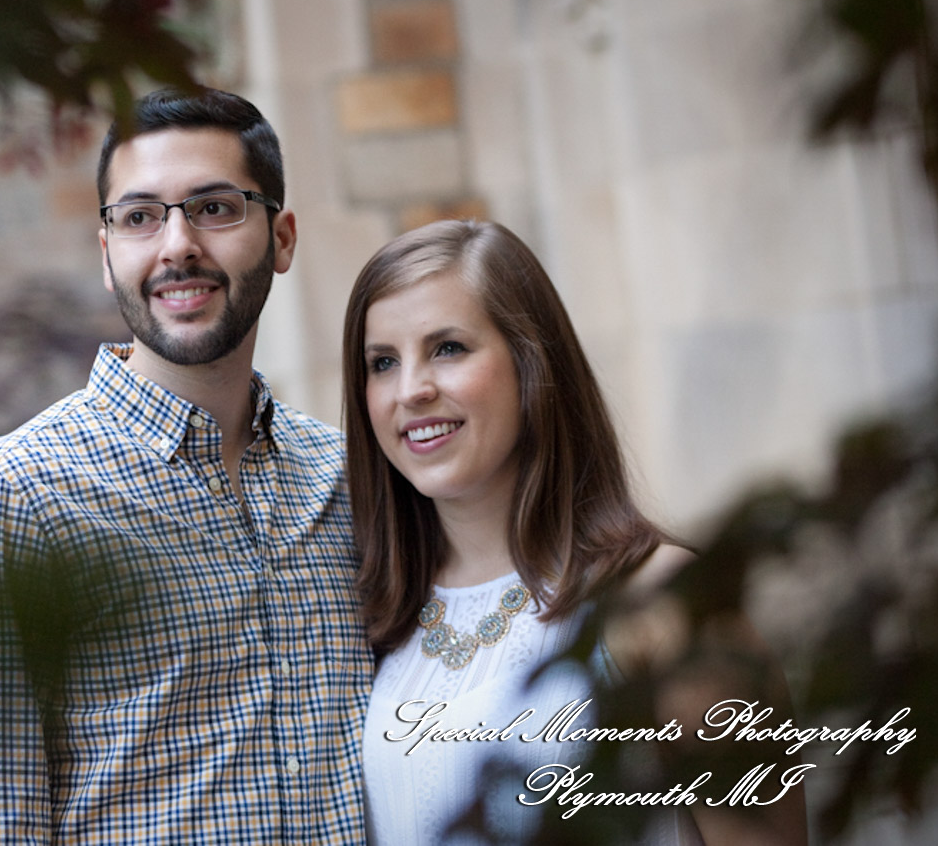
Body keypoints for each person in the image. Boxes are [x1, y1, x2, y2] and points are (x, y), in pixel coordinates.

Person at [0, 87, 371, 844]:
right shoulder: (17, 495)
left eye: (216, 207)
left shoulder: (348, 477)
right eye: (139, 217)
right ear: (108, 255)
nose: (176, 246)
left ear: (283, 236)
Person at [343, 220, 806, 845]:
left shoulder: (660, 601)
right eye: (382, 362)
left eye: (448, 347)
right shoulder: (373, 619)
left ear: (531, 362)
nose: (412, 389)